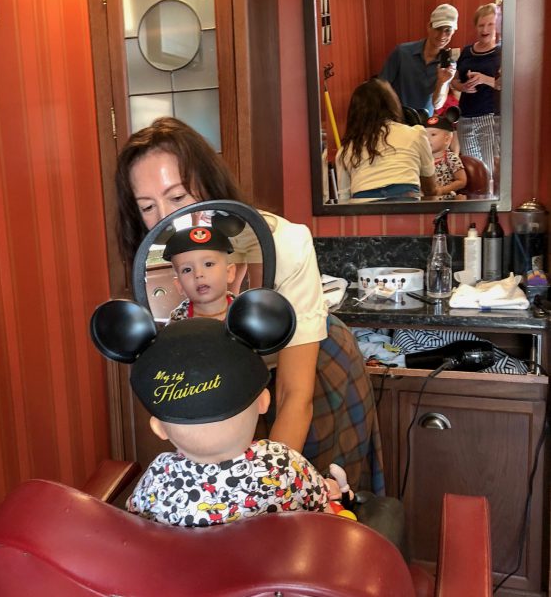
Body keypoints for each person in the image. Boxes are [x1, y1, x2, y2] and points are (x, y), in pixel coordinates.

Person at [115, 116, 384, 494]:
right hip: (221, 389)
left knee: (313, 506)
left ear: (208, 185)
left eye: (177, 198)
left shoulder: (285, 243)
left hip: (297, 377)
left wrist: (262, 490)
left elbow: (295, 395)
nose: (165, 219)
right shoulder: (156, 261)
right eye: (147, 206)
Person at [89, 293, 353, 526]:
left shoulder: (158, 477)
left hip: (187, 580)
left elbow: (138, 528)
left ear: (158, 428)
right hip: (270, 580)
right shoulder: (283, 464)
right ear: (263, 401)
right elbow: (322, 514)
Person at [335, 78, 436, 203]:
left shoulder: (346, 149)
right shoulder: (415, 134)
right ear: (392, 103)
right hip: (406, 207)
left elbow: (343, 201)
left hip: (364, 211)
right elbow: (431, 189)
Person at [450, 3, 501, 184]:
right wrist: (462, 87)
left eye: (490, 24)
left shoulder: (502, 52)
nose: (485, 29)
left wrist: (484, 79)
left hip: (489, 118)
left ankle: (491, 205)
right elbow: (454, 80)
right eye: (481, 25)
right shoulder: (466, 51)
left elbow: (507, 85)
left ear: (497, 26)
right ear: (476, 26)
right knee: (472, 169)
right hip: (465, 117)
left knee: (489, 169)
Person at [379, 3, 459, 115]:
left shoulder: (447, 65)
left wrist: (442, 82)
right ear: (429, 27)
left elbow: (437, 104)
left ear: (453, 32)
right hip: (396, 120)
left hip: (423, 125)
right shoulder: (402, 52)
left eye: (447, 30)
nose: (442, 36)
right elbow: (381, 85)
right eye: (438, 28)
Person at [162, 225, 236, 322]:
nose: (198, 274)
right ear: (179, 285)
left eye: (208, 264)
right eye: (187, 270)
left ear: (229, 273)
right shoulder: (177, 321)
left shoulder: (246, 310)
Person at [423, 109, 467, 199]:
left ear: (446, 139)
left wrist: (442, 190)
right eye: (424, 135)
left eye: (433, 134)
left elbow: (462, 180)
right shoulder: (422, 159)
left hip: (445, 199)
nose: (427, 139)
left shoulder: (450, 158)